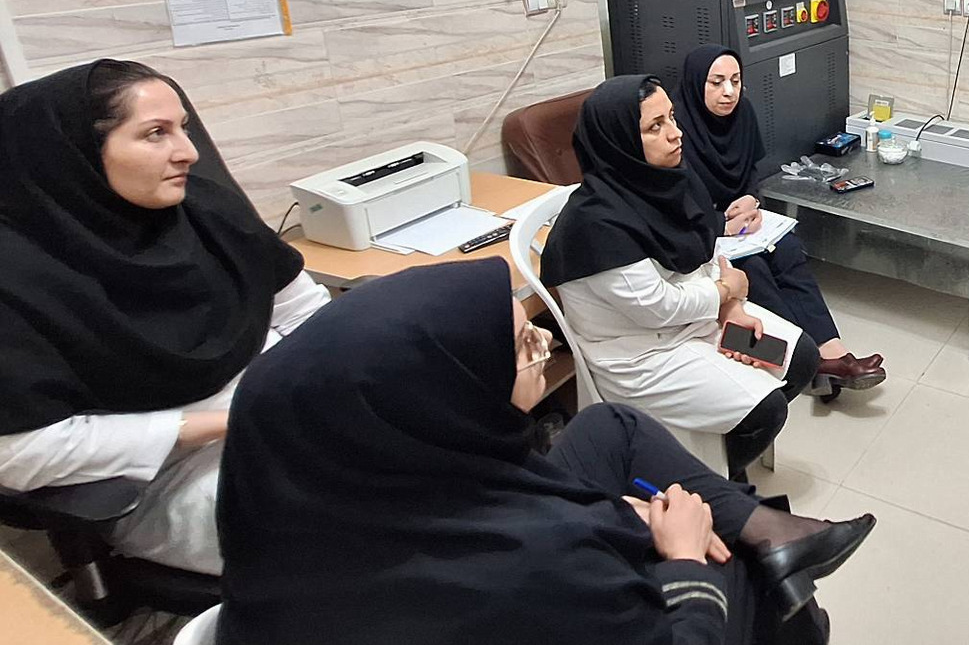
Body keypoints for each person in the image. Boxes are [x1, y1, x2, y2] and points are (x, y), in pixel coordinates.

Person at [215, 258, 875, 645]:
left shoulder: (313, 514)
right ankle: (772, 566)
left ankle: (771, 531)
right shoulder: (538, 562)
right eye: (521, 343)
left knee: (605, 429)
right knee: (741, 571)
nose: (544, 344)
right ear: (447, 395)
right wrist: (680, 556)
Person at [0, 59, 328, 575]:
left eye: (183, 128)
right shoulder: (15, 279)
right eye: (156, 133)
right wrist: (227, 421)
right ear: (74, 154)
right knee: (367, 529)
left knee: (443, 454)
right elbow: (21, 455)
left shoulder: (205, 211)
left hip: (287, 409)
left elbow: (305, 312)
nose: (189, 153)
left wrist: (337, 385)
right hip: (166, 473)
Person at [543, 75, 822, 480]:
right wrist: (725, 291)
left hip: (700, 319)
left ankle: (712, 461)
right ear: (619, 141)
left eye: (671, 118)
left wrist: (732, 307)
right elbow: (659, 306)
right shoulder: (596, 225)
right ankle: (712, 485)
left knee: (801, 359)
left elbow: (704, 250)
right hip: (643, 354)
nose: (675, 134)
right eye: (654, 127)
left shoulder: (668, 181)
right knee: (765, 410)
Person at [670, 45, 886, 395]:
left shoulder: (741, 114)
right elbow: (673, 202)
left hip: (743, 222)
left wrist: (751, 199)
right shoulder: (677, 131)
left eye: (735, 80)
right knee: (753, 268)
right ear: (697, 84)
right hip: (702, 230)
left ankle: (833, 353)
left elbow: (750, 174)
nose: (729, 92)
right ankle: (805, 363)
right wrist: (721, 225)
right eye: (716, 82)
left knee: (788, 251)